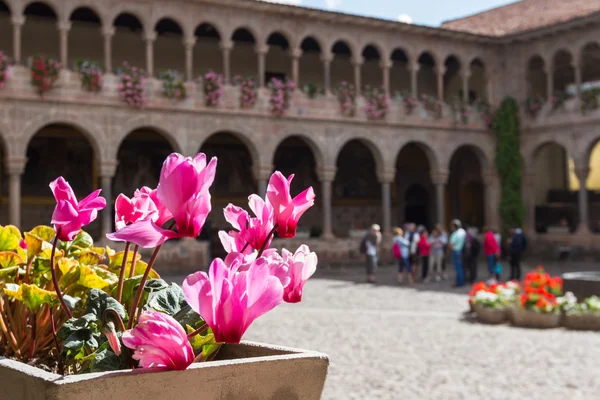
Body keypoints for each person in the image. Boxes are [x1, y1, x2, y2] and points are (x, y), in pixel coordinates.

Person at [448, 219, 467, 287]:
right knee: (461, 267)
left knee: (458, 268)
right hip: (461, 251)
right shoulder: (462, 231)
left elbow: (451, 245)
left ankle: (459, 283)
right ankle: (462, 281)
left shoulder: (455, 234)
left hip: (456, 251)